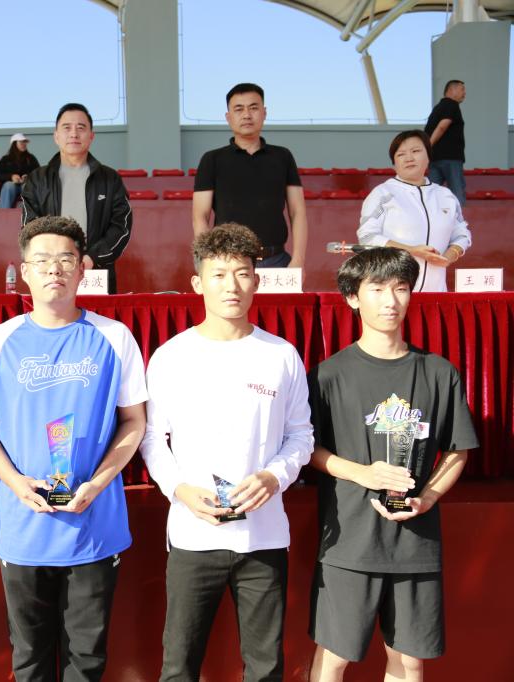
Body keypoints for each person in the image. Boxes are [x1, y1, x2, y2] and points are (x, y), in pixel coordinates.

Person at [0, 216, 147, 681]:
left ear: (83, 269)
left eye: (66, 259)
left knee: (86, 660)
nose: (54, 269)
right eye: (42, 260)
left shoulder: (114, 337)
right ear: (24, 271)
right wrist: (15, 482)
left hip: (94, 526)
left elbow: (134, 422)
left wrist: (98, 483)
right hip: (24, 528)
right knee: (29, 660)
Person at [140, 223, 313, 682]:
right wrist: (179, 490)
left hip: (263, 537)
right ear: (198, 283)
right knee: (179, 665)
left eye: (241, 273)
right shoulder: (172, 356)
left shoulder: (281, 355)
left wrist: (274, 476)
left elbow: (301, 435)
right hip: (194, 535)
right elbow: (152, 437)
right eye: (218, 275)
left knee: (265, 667)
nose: (231, 285)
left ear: (257, 280)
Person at [307, 247, 477, 682]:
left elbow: (457, 449)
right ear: (352, 297)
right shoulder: (328, 375)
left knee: (409, 660)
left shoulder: (439, 372)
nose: (391, 300)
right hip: (349, 542)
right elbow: (307, 450)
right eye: (378, 289)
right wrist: (362, 473)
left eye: (401, 288)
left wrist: (428, 498)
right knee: (334, 657)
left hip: (416, 544)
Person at [192, 83, 308, 269]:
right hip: (229, 261)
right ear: (228, 117)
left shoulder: (283, 156)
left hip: (277, 261)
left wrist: (298, 260)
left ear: (264, 113)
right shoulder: (212, 159)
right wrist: (207, 261)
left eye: (253, 108)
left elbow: (297, 211)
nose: (246, 115)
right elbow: (200, 216)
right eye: (239, 109)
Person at [21, 103, 132, 294]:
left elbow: (121, 227)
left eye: (81, 128)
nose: (74, 134)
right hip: (51, 274)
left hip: (96, 274)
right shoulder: (37, 180)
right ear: (56, 136)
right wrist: (56, 261)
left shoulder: (110, 179)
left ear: (91, 135)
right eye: (67, 128)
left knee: (97, 315)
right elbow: (30, 228)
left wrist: (91, 258)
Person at [357, 130, 471, 293]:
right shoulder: (383, 193)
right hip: (393, 295)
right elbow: (367, 237)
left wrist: (449, 256)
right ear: (394, 163)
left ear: (428, 156)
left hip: (437, 293)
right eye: (401, 154)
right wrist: (411, 250)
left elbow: (462, 234)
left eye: (416, 151)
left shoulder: (445, 195)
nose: (409, 158)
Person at [424, 80, 467, 206]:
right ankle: (458, 218)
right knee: (457, 194)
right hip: (451, 158)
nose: (464, 93)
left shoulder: (437, 108)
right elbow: (442, 127)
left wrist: (427, 149)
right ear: (451, 90)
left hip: (434, 159)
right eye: (462, 89)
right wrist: (428, 146)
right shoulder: (452, 105)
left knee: (430, 194)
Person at [0, 133, 40, 209]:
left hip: (25, 185)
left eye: (25, 142)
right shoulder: (5, 159)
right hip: (11, 185)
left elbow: (38, 173)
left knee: (27, 186)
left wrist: (28, 177)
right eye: (21, 142)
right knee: (8, 185)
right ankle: (4, 213)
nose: (24, 144)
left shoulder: (31, 158)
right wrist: (11, 177)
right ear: (14, 144)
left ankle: (31, 214)